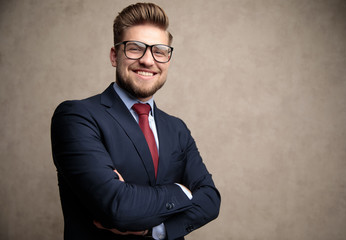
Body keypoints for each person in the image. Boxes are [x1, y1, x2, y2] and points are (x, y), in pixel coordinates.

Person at [51, 2, 220, 240]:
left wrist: (154, 230)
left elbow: (211, 200)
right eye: (135, 48)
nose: (148, 61)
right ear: (114, 55)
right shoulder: (77, 117)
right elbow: (117, 208)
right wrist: (181, 191)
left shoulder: (177, 128)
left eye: (159, 51)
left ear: (168, 60)